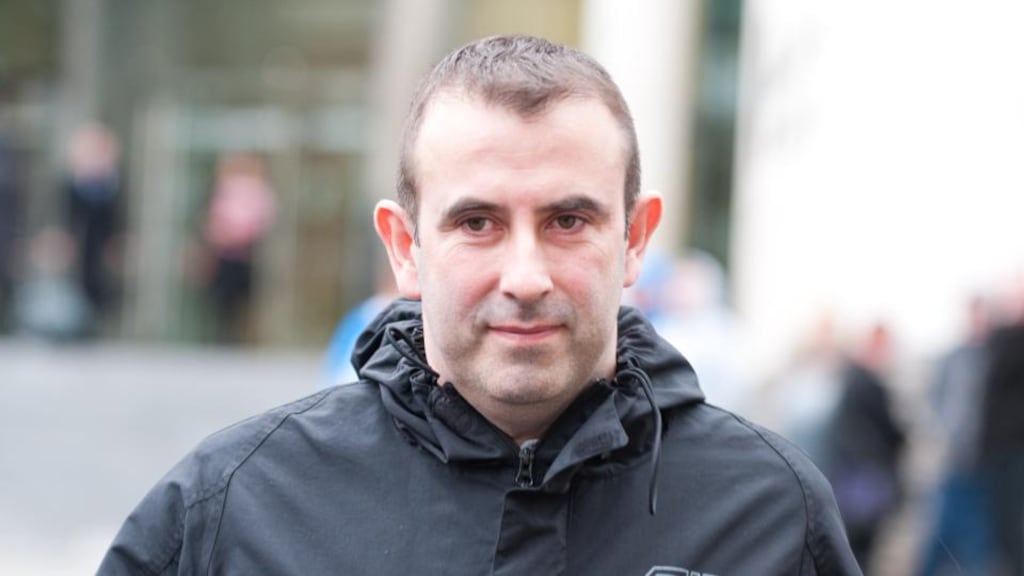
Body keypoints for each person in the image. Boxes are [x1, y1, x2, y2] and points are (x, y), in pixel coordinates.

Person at [99, 35, 860, 575]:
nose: (525, 276)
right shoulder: (235, 509)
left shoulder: (769, 511)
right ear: (404, 247)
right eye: (476, 223)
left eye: (568, 221)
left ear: (635, 240)